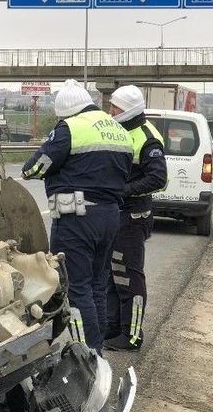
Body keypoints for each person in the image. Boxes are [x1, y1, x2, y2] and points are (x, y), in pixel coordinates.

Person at [22, 79, 133, 353]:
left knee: (77, 289)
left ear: (66, 111)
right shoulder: (119, 129)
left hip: (77, 220)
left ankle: (86, 353)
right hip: (110, 216)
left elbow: (33, 168)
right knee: (97, 286)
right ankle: (98, 350)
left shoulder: (69, 128)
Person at [103, 85, 167, 351]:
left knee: (130, 276)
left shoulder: (147, 137)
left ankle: (132, 335)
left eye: (114, 108)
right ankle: (114, 327)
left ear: (127, 110)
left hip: (133, 215)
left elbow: (158, 178)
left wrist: (123, 191)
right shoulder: (120, 131)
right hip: (117, 215)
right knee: (112, 274)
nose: (110, 111)